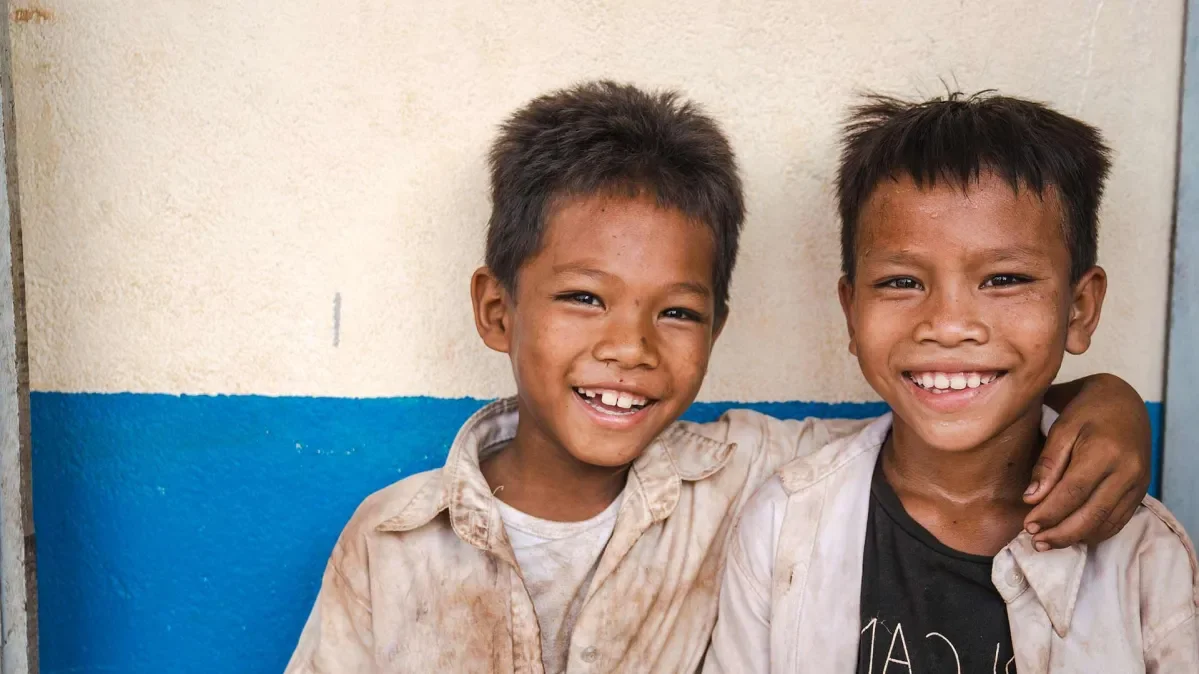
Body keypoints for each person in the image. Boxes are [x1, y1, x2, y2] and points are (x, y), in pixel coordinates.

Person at [286, 82, 1155, 673]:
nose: (629, 347)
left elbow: (941, 429)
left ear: (717, 329)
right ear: (496, 310)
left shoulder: (749, 477)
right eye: (584, 298)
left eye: (676, 311)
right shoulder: (390, 541)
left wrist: (1097, 399)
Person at [704, 91, 1196, 673]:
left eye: (1004, 279)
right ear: (851, 313)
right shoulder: (783, 524)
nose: (948, 324)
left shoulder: (1142, 556)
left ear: (1079, 309)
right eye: (901, 283)